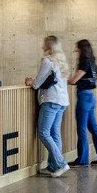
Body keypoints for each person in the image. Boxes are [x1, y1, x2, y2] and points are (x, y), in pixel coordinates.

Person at [24, 35, 70, 177]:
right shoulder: (62, 62)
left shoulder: (47, 61)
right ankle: (54, 166)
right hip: (62, 101)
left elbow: (37, 84)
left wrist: (30, 81)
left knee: (44, 132)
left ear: (48, 47)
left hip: (51, 100)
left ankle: (61, 163)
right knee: (55, 133)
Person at [68, 39, 97, 167]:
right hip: (91, 96)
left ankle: (82, 159)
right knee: (93, 128)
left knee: (81, 129)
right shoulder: (93, 63)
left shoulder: (84, 62)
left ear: (81, 49)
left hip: (83, 96)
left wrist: (63, 80)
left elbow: (74, 80)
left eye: (77, 47)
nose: (75, 50)